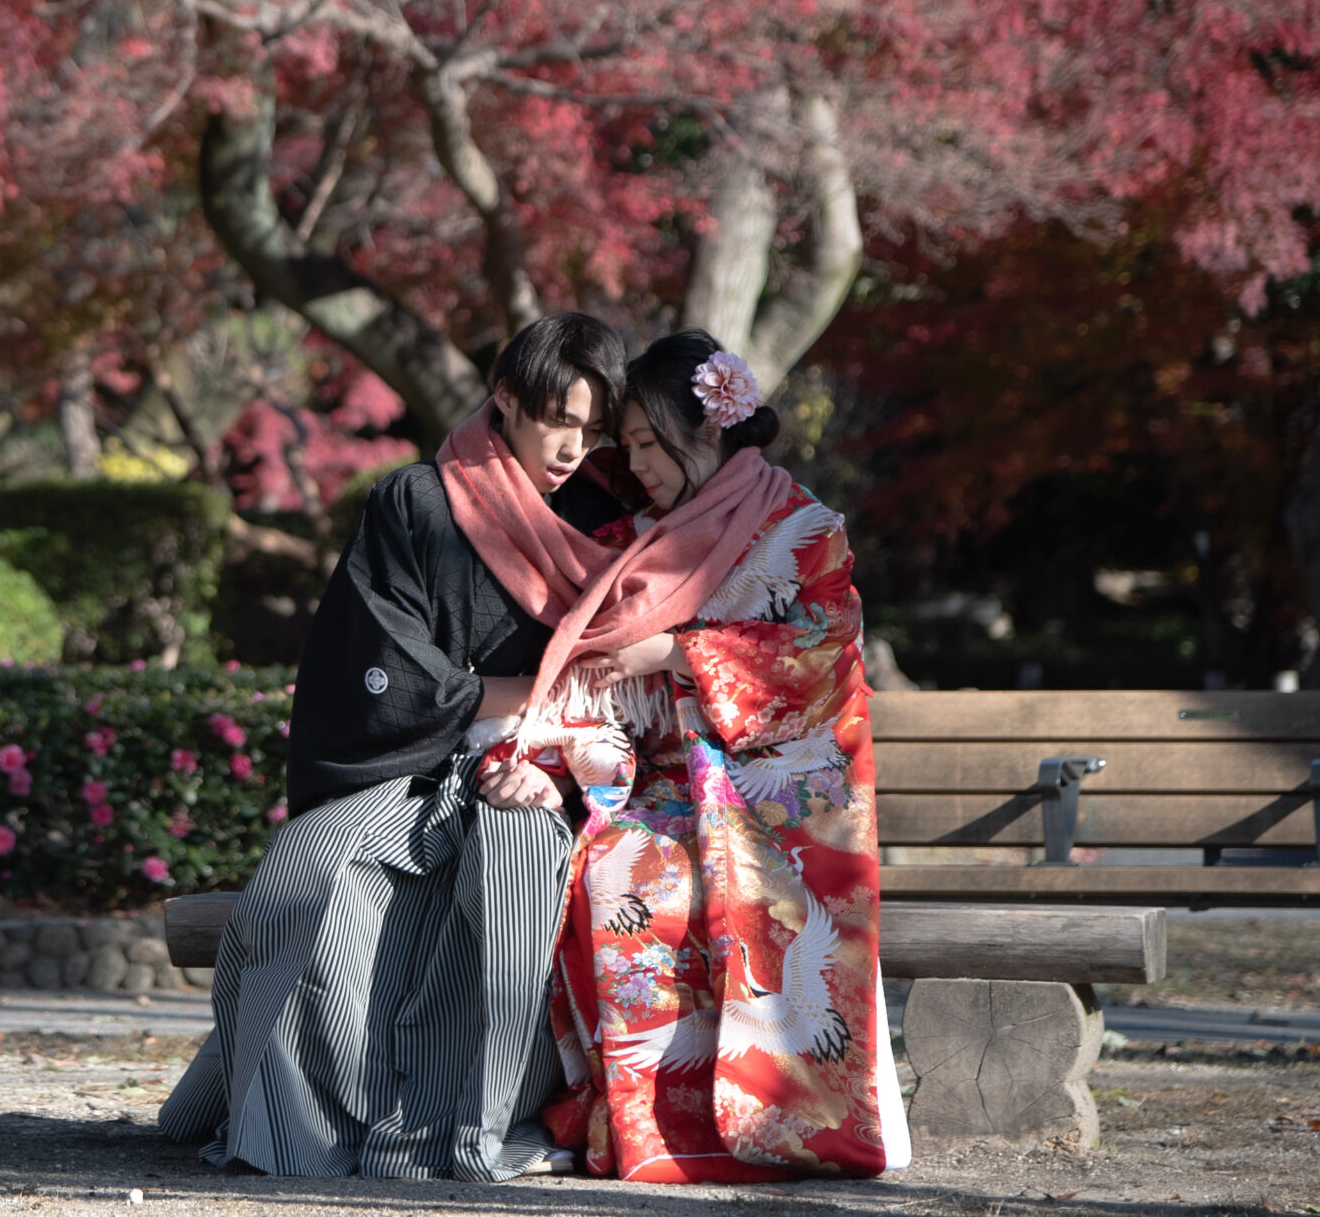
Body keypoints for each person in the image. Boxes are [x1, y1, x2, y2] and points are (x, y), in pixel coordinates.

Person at [158, 312, 634, 1180]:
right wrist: (518, 695)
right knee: (311, 872)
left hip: (553, 773)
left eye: (592, 428)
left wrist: (548, 756)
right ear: (504, 396)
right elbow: (383, 668)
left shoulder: (610, 515)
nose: (573, 447)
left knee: (516, 874)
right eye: (557, 419)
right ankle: (302, 1126)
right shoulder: (417, 501)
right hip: (412, 768)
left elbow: (620, 673)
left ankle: (467, 1121)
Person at [450, 330, 906, 1182]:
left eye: (650, 442)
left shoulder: (805, 527)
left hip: (776, 792)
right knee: (620, 876)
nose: (636, 463)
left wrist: (676, 651)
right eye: (629, 444)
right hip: (660, 782)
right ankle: (651, 1131)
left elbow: (824, 656)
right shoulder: (633, 537)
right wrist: (542, 756)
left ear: (710, 429)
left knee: (756, 909)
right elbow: (584, 675)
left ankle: (785, 1124)